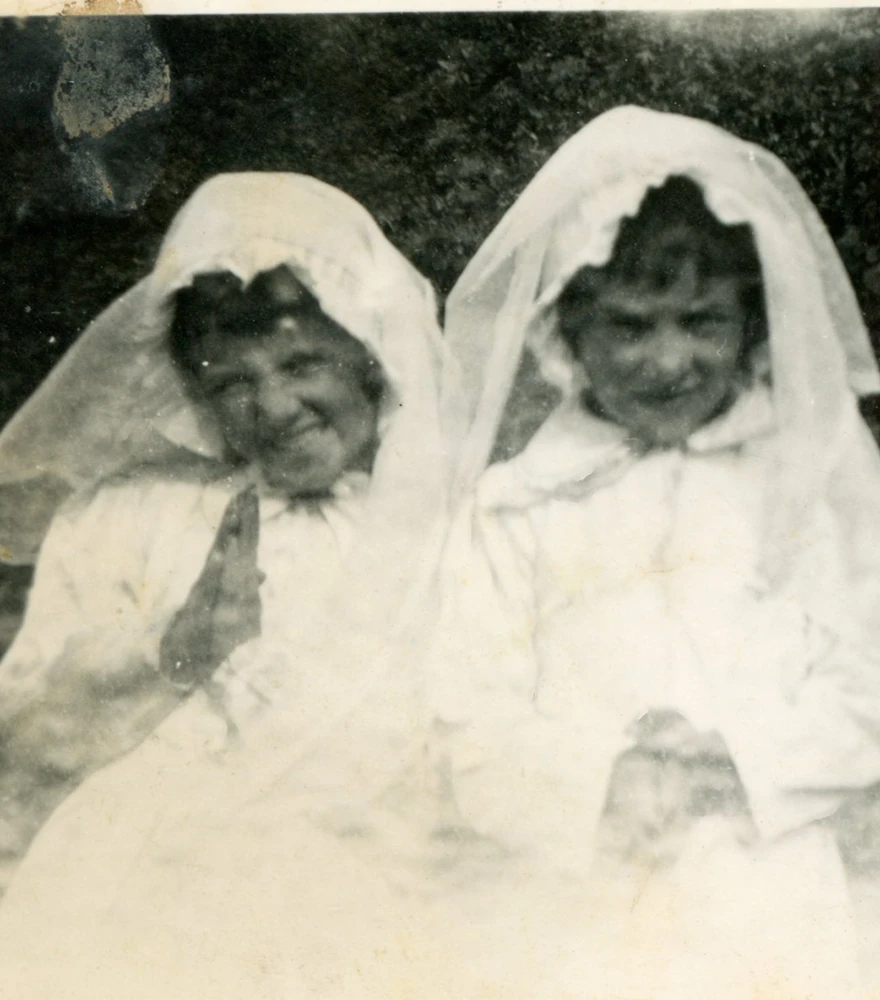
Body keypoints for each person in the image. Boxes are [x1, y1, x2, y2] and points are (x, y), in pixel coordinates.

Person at [433, 105, 880, 998]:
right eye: (632, 326)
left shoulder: (814, 486)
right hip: (577, 883)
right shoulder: (518, 504)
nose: (671, 361)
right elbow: (466, 709)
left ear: (751, 323)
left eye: (702, 320)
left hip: (776, 881)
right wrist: (606, 777)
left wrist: (733, 760)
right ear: (567, 333)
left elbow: (867, 678)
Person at [0, 172, 452, 897]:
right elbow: (23, 746)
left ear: (373, 356)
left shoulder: (465, 520)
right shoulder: (129, 515)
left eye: (302, 364)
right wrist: (171, 652)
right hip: (152, 880)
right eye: (232, 384)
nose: (274, 407)